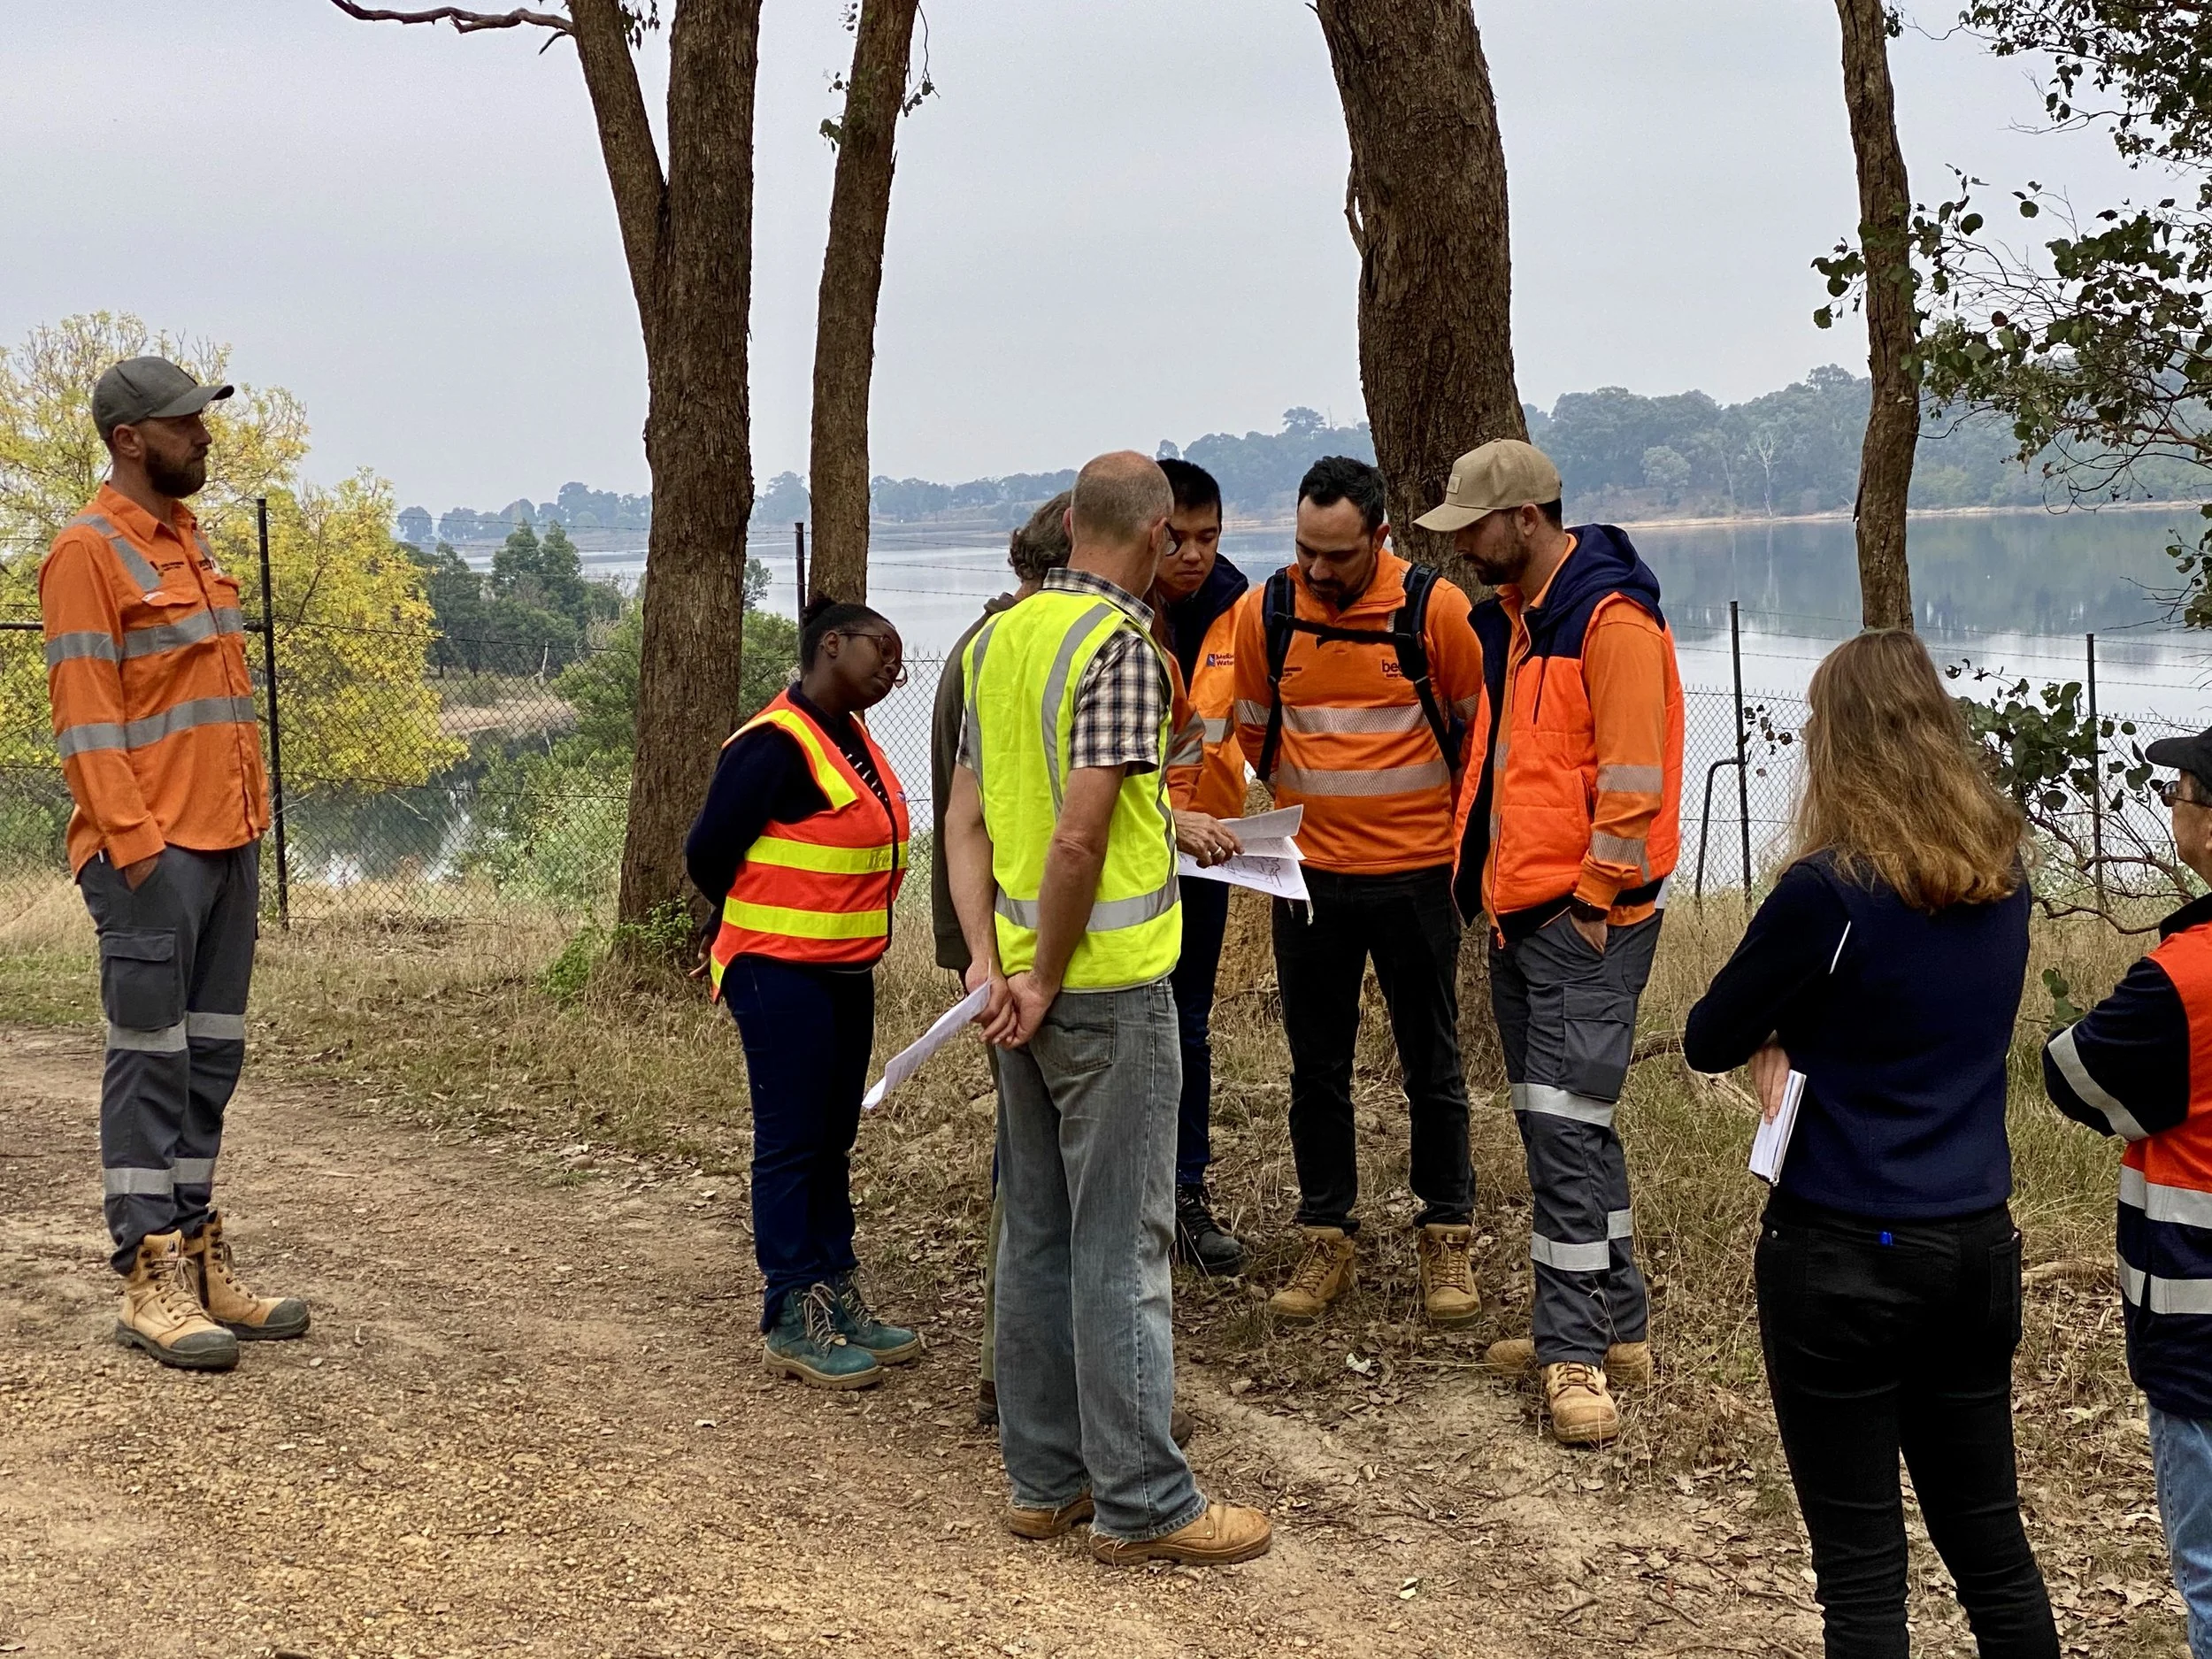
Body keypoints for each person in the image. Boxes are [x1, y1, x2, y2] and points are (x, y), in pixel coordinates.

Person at [1684, 630, 2058, 1657]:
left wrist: (1778, 1030)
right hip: (1973, 1241)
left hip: (1841, 1249)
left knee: (1860, 1580)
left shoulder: (1827, 893)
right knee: (1992, 1551)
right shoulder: (2002, 877)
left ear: (1837, 744)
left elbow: (1708, 1034)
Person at [945, 449, 1271, 1566]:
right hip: (1105, 993)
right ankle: (1144, 1500)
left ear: (1075, 521)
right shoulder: (1123, 649)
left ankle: (1044, 1481)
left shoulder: (997, 639)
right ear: (1153, 535)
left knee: (1035, 1233)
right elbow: (1081, 838)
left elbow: (967, 822)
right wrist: (1043, 976)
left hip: (1012, 994)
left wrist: (989, 964)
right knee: (1124, 1246)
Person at [39, 355, 309, 1373]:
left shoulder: (189, 541)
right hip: (152, 858)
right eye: (184, 423)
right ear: (129, 439)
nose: (203, 435)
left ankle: (197, 1254)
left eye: (201, 419)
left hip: (228, 843)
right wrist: (138, 851)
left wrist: (247, 829)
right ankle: (146, 1273)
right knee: (150, 1064)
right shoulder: (87, 551)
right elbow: (86, 720)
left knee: (209, 1060)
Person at [1425, 439, 1682, 1447]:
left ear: (1525, 519)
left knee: (1566, 1138)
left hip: (1584, 927)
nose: (1461, 547)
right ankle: (1617, 1326)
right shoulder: (1517, 622)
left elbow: (1633, 784)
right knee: (1564, 1129)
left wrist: (1591, 900)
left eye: (1474, 528)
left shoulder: (1610, 623)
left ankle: (1572, 1353)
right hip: (1522, 919)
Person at [1228, 455, 1487, 1330]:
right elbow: (1252, 730)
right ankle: (1326, 1233)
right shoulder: (1269, 610)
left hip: (1417, 879)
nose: (1317, 569)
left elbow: (1474, 733)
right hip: (1309, 880)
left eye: (1337, 555)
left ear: (1380, 535)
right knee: (1316, 1068)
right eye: (1305, 549)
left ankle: (1446, 1231)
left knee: (1432, 1064)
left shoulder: (1434, 611)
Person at [687, 597, 918, 1392]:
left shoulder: (849, 736)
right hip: (777, 969)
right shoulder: (774, 744)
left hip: (845, 967)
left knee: (831, 1136)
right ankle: (792, 1308)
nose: (893, 669)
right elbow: (708, 851)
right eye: (882, 651)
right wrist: (744, 918)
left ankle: (834, 1285)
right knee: (791, 1140)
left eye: (900, 661)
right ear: (832, 645)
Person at [2041, 726, 2212, 1655]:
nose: (2173, 807)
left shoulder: (2182, 980)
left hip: (2198, 1330)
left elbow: (2071, 1073)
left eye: (2179, 792)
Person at [930, 493, 1071, 1428]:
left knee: (1029, 1169)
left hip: (1005, 945)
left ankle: (1019, 1376)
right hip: (1013, 952)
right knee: (1031, 1178)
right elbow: (976, 816)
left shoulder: (994, 644)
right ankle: (1017, 1378)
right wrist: (982, 957)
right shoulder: (1005, 652)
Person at [1150, 457, 1252, 1276]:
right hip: (1120, 856)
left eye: (1208, 537)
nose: (1193, 554)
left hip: (1206, 854)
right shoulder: (1108, 612)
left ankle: (1185, 1196)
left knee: (1188, 1025)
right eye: (1177, 538)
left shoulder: (1242, 609)